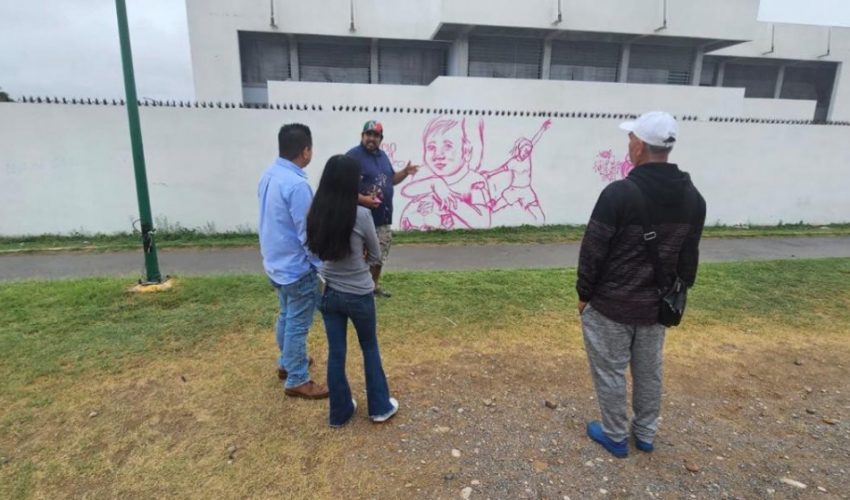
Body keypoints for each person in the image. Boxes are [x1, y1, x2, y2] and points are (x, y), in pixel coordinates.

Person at [576, 111, 706, 458]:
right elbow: (688, 258)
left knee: (611, 371)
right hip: (655, 308)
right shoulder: (693, 198)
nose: (629, 143)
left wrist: (584, 293)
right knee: (649, 372)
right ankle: (645, 433)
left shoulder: (618, 194)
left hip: (611, 305)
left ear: (640, 146)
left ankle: (615, 435)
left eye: (631, 137)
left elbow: (593, 248)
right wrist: (677, 295)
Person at [307, 154, 399, 427]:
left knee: (336, 352)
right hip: (359, 294)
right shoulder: (361, 215)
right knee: (369, 347)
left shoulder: (316, 212)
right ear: (349, 181)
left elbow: (314, 249)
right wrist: (362, 258)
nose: (360, 179)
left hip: (328, 292)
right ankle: (379, 407)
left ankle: (339, 412)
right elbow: (376, 256)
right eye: (357, 176)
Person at [258, 123, 328, 400]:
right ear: (306, 150)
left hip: (275, 263)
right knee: (298, 323)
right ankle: (297, 378)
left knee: (287, 315)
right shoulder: (298, 185)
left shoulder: (268, 175)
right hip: (296, 268)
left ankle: (287, 362)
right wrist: (319, 265)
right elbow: (307, 232)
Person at [347, 120, 419, 298]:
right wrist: (363, 200)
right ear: (362, 136)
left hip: (383, 218)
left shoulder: (383, 156)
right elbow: (342, 186)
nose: (372, 138)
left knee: (379, 256)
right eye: (369, 134)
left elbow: (391, 180)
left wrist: (405, 172)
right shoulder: (352, 157)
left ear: (381, 138)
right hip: (360, 219)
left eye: (376, 135)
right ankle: (359, 289)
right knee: (359, 256)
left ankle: (373, 287)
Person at [399, 116, 492, 230]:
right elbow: (406, 191)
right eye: (431, 147)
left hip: (460, 239)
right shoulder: (425, 175)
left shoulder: (474, 181)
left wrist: (448, 201)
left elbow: (483, 221)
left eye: (448, 146)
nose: (438, 155)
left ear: (466, 152)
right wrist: (433, 184)